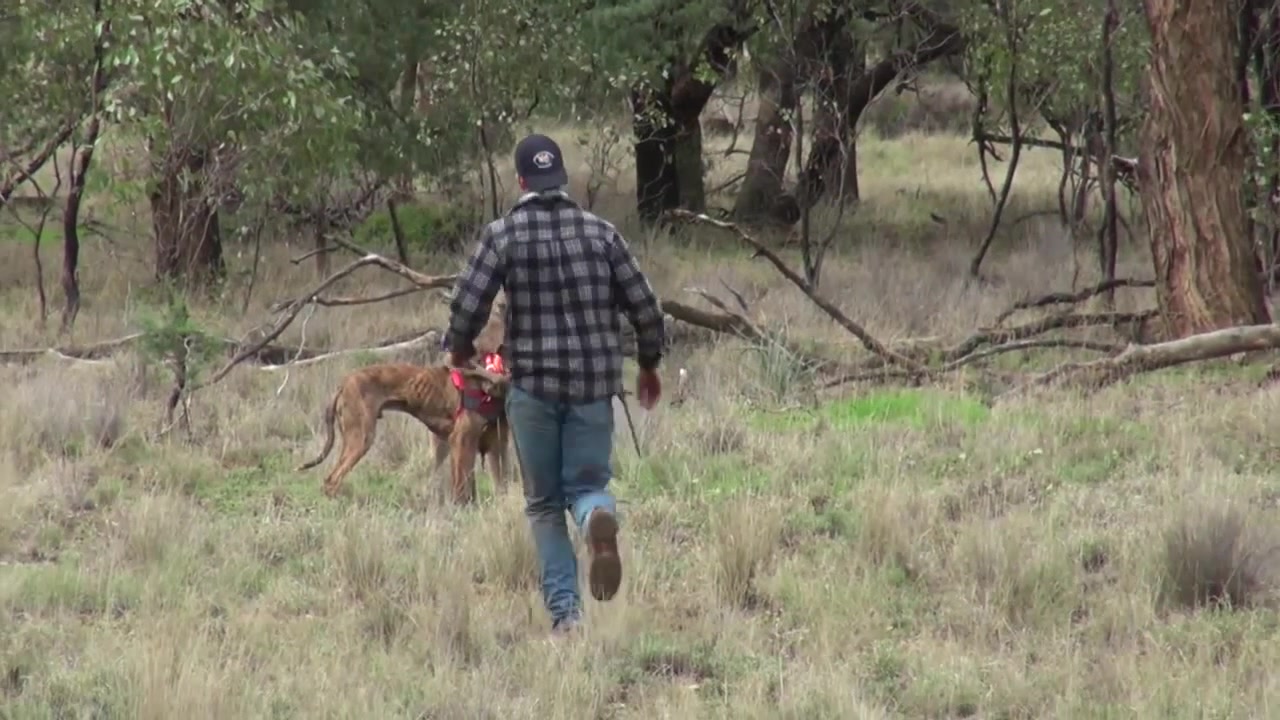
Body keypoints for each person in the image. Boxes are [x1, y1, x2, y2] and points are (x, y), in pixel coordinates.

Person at [445, 133, 666, 635]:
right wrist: (648, 364)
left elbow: (468, 302)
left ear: (521, 181)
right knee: (588, 485)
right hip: (592, 388)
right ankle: (594, 519)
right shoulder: (602, 233)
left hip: (534, 392)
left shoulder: (503, 235)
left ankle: (567, 615)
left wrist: (459, 348)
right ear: (561, 178)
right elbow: (646, 308)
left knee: (544, 504)